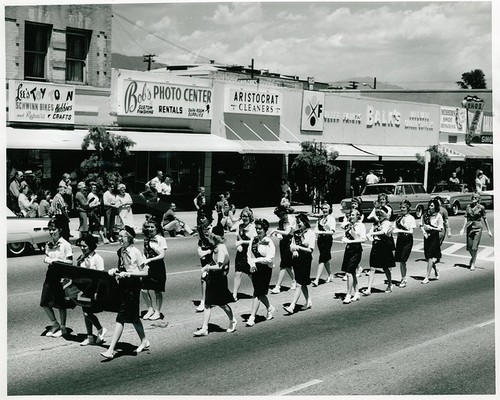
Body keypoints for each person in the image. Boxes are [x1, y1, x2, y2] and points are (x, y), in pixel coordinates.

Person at [100, 226, 150, 359]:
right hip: (124, 286)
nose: (120, 238)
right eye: (119, 236)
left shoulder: (135, 252)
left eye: (123, 236)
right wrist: (114, 271)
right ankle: (144, 340)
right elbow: (122, 267)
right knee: (133, 317)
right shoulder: (120, 251)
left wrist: (129, 274)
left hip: (133, 287)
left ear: (130, 238)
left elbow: (145, 272)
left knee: (121, 317)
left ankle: (110, 350)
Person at [193, 224, 237, 336]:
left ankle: (232, 320)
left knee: (222, 304)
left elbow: (220, 266)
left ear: (216, 236)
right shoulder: (216, 246)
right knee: (208, 303)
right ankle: (205, 328)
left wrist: (207, 267)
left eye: (212, 233)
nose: (210, 235)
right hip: (213, 278)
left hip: (219, 280)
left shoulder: (221, 248)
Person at [40, 218, 74, 337]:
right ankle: (55, 324)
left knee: (61, 303)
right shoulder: (48, 244)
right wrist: (47, 260)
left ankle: (63, 328)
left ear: (60, 230)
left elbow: (70, 262)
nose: (51, 232)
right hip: (50, 275)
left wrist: (56, 260)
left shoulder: (65, 245)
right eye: (50, 230)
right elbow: (46, 257)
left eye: (53, 229)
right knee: (44, 301)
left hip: (61, 276)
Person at [75, 235, 107, 346]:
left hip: (93, 290)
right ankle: (90, 336)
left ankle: (100, 329)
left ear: (91, 246)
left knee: (88, 312)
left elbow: (102, 277)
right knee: (85, 312)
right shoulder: (81, 257)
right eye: (81, 246)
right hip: (84, 289)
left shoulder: (97, 259)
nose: (82, 248)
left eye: (85, 246)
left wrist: (98, 292)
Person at [246, 219, 276, 327]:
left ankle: (252, 317)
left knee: (257, 293)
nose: (258, 231)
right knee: (260, 293)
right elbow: (249, 255)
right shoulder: (253, 240)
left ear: (265, 230)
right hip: (256, 268)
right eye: (257, 228)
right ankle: (270, 308)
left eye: (260, 229)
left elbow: (269, 259)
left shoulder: (269, 242)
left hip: (265, 270)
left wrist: (256, 261)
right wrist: (252, 264)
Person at [283, 213, 315, 315]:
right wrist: (293, 250)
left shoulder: (310, 233)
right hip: (297, 259)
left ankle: (292, 306)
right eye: (297, 222)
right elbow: (292, 245)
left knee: (298, 283)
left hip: (305, 260)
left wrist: (299, 248)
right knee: (302, 282)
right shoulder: (296, 233)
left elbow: (310, 250)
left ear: (305, 222)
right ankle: (308, 301)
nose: (298, 224)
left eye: (300, 222)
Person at [363, 209, 396, 295]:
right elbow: (370, 232)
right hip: (376, 246)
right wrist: (369, 236)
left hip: (384, 246)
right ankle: (369, 289)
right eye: (377, 215)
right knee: (372, 267)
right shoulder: (375, 224)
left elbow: (383, 232)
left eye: (380, 215)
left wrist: (372, 234)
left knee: (385, 267)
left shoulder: (387, 223)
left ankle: (389, 283)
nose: (378, 217)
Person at [141, 218, 168, 321]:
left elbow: (162, 255)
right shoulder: (146, 238)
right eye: (148, 227)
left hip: (158, 267)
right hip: (148, 266)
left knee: (157, 291)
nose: (150, 229)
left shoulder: (161, 239)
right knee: (143, 289)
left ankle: (157, 311)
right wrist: (144, 260)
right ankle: (150, 309)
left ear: (157, 228)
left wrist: (150, 260)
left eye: (152, 227)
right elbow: (144, 252)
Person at [460, 193, 492, 271]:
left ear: (478, 199)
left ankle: (473, 263)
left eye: (475, 197)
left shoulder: (481, 207)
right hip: (469, 227)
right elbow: (466, 217)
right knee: (469, 247)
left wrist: (489, 230)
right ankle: (473, 257)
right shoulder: (468, 207)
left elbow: (485, 218)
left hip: (478, 228)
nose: (473, 198)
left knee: (474, 247)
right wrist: (462, 228)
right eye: (472, 197)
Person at [340, 209, 366, 303]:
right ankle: (356, 293)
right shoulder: (349, 225)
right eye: (350, 215)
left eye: (353, 215)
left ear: (358, 216)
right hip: (348, 249)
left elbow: (363, 239)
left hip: (356, 250)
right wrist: (345, 238)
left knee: (348, 273)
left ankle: (348, 295)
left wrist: (351, 241)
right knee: (353, 273)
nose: (351, 217)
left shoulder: (361, 226)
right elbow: (346, 234)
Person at [269, 206, 297, 294]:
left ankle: (278, 286)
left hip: (290, 241)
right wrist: (277, 234)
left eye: (281, 215)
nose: (280, 217)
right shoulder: (281, 221)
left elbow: (287, 232)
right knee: (287, 264)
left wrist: (275, 231)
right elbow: (281, 232)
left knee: (283, 265)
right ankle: (295, 280)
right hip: (283, 242)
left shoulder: (290, 219)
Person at [232, 207, 257, 301]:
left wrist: (242, 242)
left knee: (251, 274)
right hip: (240, 252)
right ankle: (234, 294)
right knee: (237, 273)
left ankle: (258, 290)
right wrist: (238, 243)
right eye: (242, 216)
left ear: (250, 217)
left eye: (246, 216)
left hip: (249, 252)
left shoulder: (253, 227)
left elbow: (254, 241)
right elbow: (238, 237)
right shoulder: (240, 225)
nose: (244, 218)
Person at [392, 200, 416, 288]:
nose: (402, 209)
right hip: (400, 239)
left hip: (407, 240)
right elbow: (393, 227)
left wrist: (400, 230)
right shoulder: (398, 217)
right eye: (401, 207)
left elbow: (411, 231)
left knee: (403, 260)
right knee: (400, 261)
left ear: (408, 208)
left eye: (404, 207)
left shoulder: (411, 218)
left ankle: (404, 279)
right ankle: (403, 277)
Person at [312, 203, 336, 287]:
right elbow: (316, 228)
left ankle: (317, 279)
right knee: (325, 258)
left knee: (322, 258)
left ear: (329, 209)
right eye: (323, 209)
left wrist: (322, 232)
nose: (324, 210)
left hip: (327, 240)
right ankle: (330, 275)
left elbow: (332, 231)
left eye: (326, 208)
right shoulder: (320, 219)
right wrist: (315, 233)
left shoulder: (331, 219)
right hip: (320, 240)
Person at [420, 199, 444, 284]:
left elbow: (440, 228)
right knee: (427, 256)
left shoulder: (438, 216)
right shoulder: (425, 215)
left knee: (430, 256)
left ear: (435, 207)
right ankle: (435, 269)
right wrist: (424, 232)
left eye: (432, 206)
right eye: (430, 205)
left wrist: (432, 228)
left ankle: (427, 277)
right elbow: (421, 225)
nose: (430, 207)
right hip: (426, 236)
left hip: (434, 236)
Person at [195, 212, 213, 312]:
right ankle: (204, 300)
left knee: (206, 277)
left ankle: (205, 301)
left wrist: (206, 252)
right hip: (203, 256)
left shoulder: (213, 229)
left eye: (204, 218)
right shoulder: (201, 229)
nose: (202, 220)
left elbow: (216, 246)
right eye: (201, 218)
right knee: (204, 278)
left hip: (212, 256)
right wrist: (200, 251)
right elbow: (199, 243)